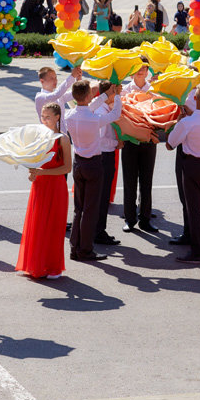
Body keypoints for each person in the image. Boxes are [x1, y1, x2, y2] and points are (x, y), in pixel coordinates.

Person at [65, 80, 122, 262]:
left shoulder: (70, 115)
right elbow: (115, 113)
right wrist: (117, 96)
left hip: (78, 164)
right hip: (93, 164)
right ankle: (86, 250)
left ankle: (75, 247)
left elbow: (88, 106)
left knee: (79, 209)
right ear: (89, 96)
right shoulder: (93, 118)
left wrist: (106, 94)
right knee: (90, 210)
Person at [17, 103, 71, 279]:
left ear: (57, 117)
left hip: (55, 187)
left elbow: (67, 168)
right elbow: (35, 163)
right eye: (42, 116)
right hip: (39, 185)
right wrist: (32, 173)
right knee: (38, 225)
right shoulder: (38, 136)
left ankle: (53, 267)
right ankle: (36, 264)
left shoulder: (62, 138)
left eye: (48, 117)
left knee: (53, 226)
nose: (44, 120)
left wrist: (43, 172)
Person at [167, 87, 200, 263]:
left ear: (196, 98)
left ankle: (197, 251)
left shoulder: (187, 122)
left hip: (191, 164)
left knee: (193, 209)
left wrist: (181, 120)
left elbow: (170, 144)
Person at [120, 64, 158, 233]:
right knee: (129, 182)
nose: (141, 72)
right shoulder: (124, 90)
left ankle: (145, 219)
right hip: (130, 141)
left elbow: (160, 111)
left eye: (144, 68)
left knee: (146, 182)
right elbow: (118, 115)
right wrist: (120, 137)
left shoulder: (154, 88)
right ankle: (129, 219)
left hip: (148, 141)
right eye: (137, 69)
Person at [94, 81, 121, 246]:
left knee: (101, 197)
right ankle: (98, 231)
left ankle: (98, 230)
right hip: (104, 156)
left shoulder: (102, 108)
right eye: (115, 91)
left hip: (104, 156)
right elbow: (102, 140)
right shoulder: (101, 111)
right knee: (101, 197)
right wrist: (116, 144)